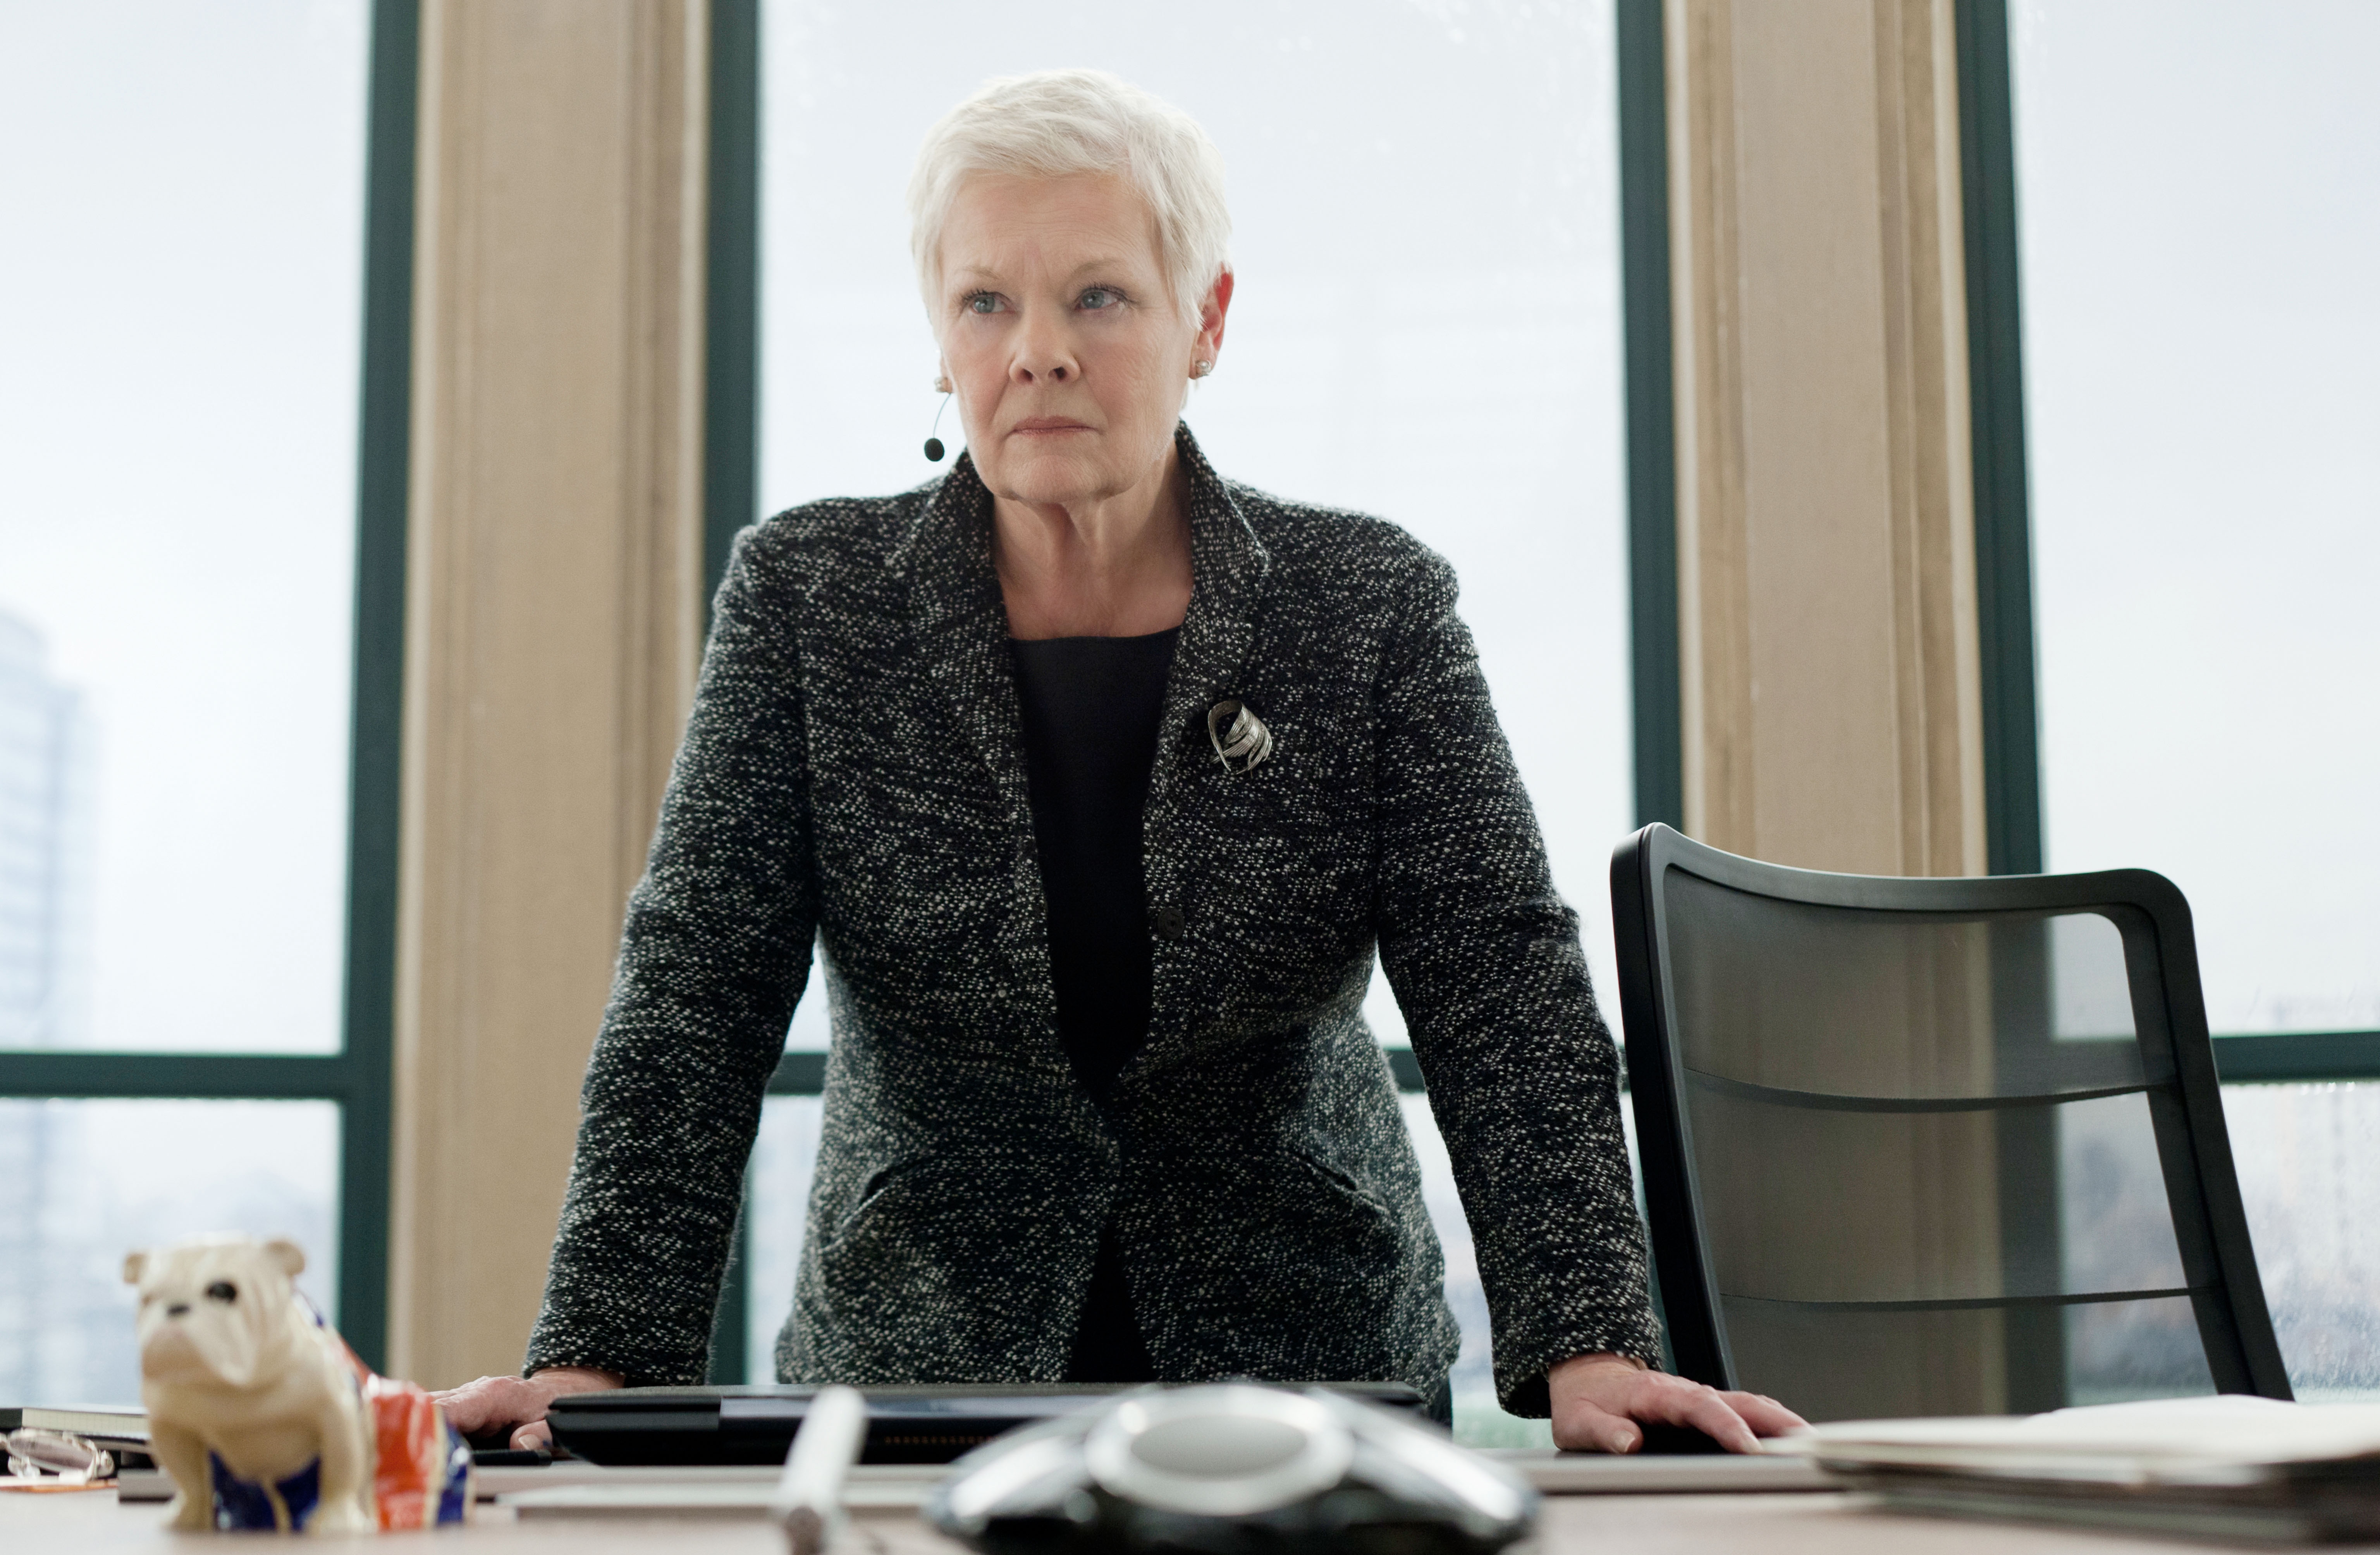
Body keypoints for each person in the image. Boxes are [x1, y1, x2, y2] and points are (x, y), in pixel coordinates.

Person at [437, 68, 1803, 1457]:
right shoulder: (809, 599)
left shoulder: (1369, 604)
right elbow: (695, 996)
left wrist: (1589, 1340)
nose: (1039, 351)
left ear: (1203, 319)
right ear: (942, 333)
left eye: (1098, 296)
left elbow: (1499, 984)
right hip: (918, 1377)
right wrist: (599, 1359)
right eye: (987, 302)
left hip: (1308, 1380)